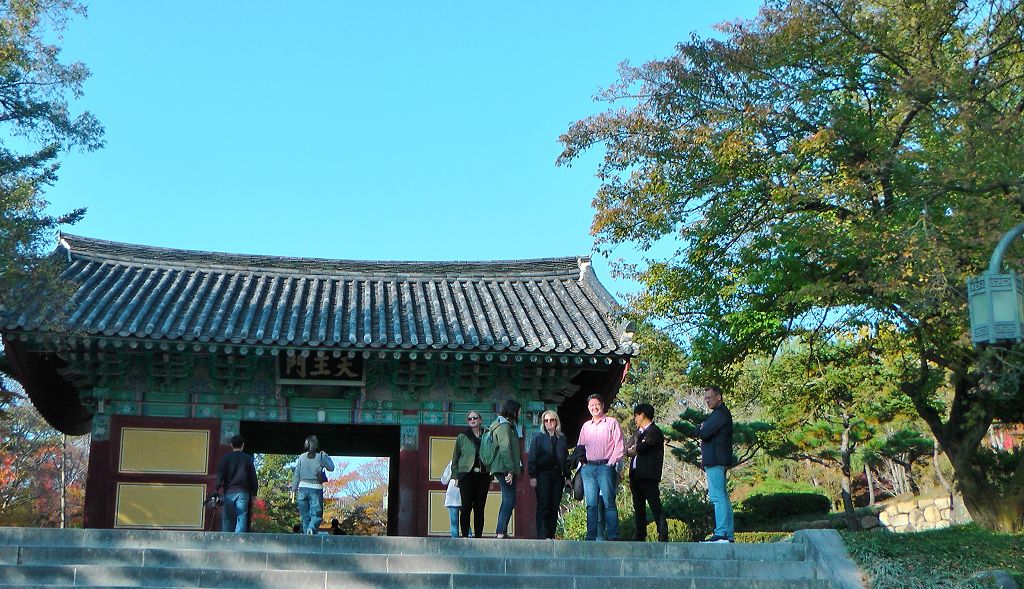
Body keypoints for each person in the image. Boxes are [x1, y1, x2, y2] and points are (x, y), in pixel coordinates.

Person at [576, 393, 624, 541]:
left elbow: (619, 445)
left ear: (602, 405)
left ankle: (612, 534)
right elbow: (580, 447)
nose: (594, 408)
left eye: (596, 404)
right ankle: (591, 535)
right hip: (589, 468)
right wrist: (582, 463)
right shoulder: (586, 426)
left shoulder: (611, 422)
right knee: (591, 504)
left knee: (609, 502)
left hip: (605, 466)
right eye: (591, 406)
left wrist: (611, 463)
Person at [696, 386, 734, 543]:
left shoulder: (720, 414)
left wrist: (702, 427)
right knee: (722, 496)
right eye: (705, 398)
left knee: (717, 496)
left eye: (709, 397)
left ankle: (722, 532)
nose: (707, 401)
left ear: (718, 397)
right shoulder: (719, 414)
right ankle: (727, 533)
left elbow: (703, 432)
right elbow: (703, 430)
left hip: (716, 459)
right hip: (718, 459)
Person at [626, 403, 668, 542]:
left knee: (654, 504)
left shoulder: (654, 431)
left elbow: (642, 447)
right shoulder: (638, 432)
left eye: (636, 415)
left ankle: (662, 533)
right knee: (638, 507)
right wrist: (630, 449)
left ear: (642, 414)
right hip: (635, 474)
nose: (635, 419)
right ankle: (640, 534)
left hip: (648, 475)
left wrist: (634, 448)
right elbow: (627, 447)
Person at [528, 410, 569, 539]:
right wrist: (532, 475)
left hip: (558, 476)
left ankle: (551, 535)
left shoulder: (561, 438)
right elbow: (532, 457)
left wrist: (568, 477)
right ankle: (542, 535)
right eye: (546, 420)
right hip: (543, 475)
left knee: (554, 506)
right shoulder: (538, 437)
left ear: (556, 421)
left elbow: (566, 458)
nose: (549, 423)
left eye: (551, 420)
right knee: (543, 505)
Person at [487, 399, 522, 538]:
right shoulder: (504, 426)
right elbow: (505, 448)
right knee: (509, 499)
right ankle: (500, 532)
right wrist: (510, 470)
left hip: (501, 466)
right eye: (518, 411)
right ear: (514, 411)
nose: (519, 413)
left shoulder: (499, 424)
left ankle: (501, 531)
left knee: (508, 499)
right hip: (504, 467)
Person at [451, 410, 489, 538]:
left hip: (483, 475)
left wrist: (492, 477)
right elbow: (455, 457)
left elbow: (492, 455)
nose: (472, 420)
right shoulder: (462, 436)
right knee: (466, 507)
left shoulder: (487, 434)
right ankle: (465, 536)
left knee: (480, 508)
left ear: (480, 420)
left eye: (475, 418)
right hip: (466, 475)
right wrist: (455, 476)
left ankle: (478, 536)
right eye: (469, 418)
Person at [290, 434, 335, 534]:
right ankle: (311, 528)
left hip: (302, 489)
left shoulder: (301, 457)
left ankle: (307, 536)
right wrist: (327, 456)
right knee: (317, 515)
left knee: (305, 516)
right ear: (317, 445)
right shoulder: (321, 457)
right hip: (315, 488)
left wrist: (293, 489)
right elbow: (331, 467)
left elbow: (296, 474)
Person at [214, 434, 258, 533]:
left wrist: (216, 489)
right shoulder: (248, 459)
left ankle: (226, 541)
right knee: (241, 517)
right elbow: (253, 477)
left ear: (231, 445)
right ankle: (239, 540)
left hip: (229, 492)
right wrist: (254, 494)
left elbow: (220, 475)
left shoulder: (225, 458)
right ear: (243, 445)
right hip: (243, 493)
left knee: (228, 518)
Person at [440, 460, 461, 538]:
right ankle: (469, 540)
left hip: (453, 495)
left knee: (454, 524)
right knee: (466, 521)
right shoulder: (470, 461)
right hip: (466, 494)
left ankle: (455, 545)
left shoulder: (453, 462)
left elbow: (444, 480)